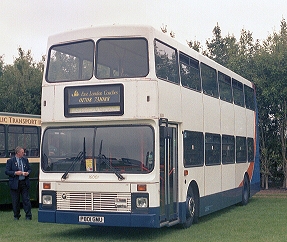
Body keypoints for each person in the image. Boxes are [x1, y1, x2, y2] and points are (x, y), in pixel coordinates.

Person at [5, 146, 32, 220]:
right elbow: (7, 171)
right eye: (22, 152)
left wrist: (27, 173)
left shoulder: (25, 160)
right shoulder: (10, 161)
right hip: (15, 183)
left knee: (26, 200)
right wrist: (15, 173)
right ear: (18, 153)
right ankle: (16, 216)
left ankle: (28, 216)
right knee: (15, 201)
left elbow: (29, 169)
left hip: (24, 182)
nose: (24, 153)